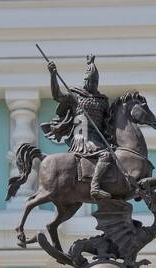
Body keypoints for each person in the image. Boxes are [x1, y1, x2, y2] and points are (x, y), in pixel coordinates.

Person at [41, 55, 117, 201]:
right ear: (85, 80)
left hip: (98, 136)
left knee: (114, 155)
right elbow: (57, 96)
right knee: (105, 155)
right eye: (89, 81)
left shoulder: (103, 100)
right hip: (82, 134)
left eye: (95, 81)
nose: (91, 84)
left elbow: (108, 123)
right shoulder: (76, 95)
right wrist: (53, 75)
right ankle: (95, 187)